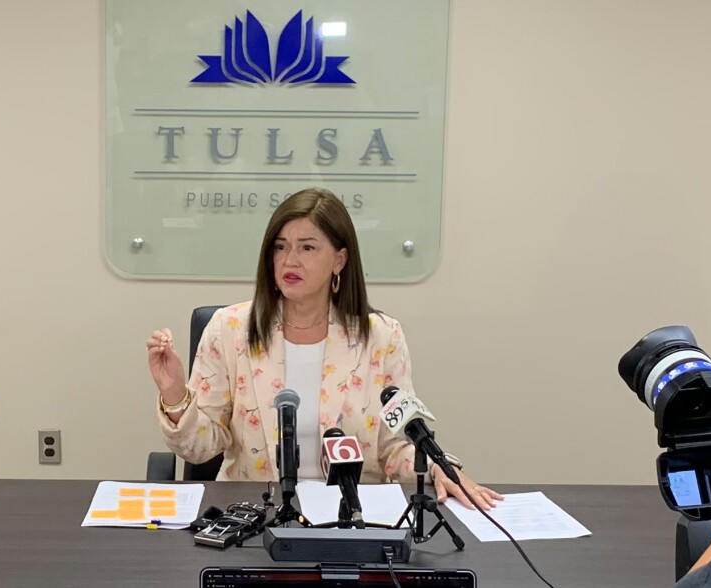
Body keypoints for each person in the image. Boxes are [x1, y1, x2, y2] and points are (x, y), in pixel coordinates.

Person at [147, 188, 501, 510]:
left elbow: (393, 447)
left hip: (353, 516)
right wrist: (176, 394)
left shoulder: (381, 336)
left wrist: (438, 468)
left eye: (308, 247)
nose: (290, 261)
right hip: (256, 513)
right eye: (280, 246)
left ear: (339, 261)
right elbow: (199, 448)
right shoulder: (230, 329)